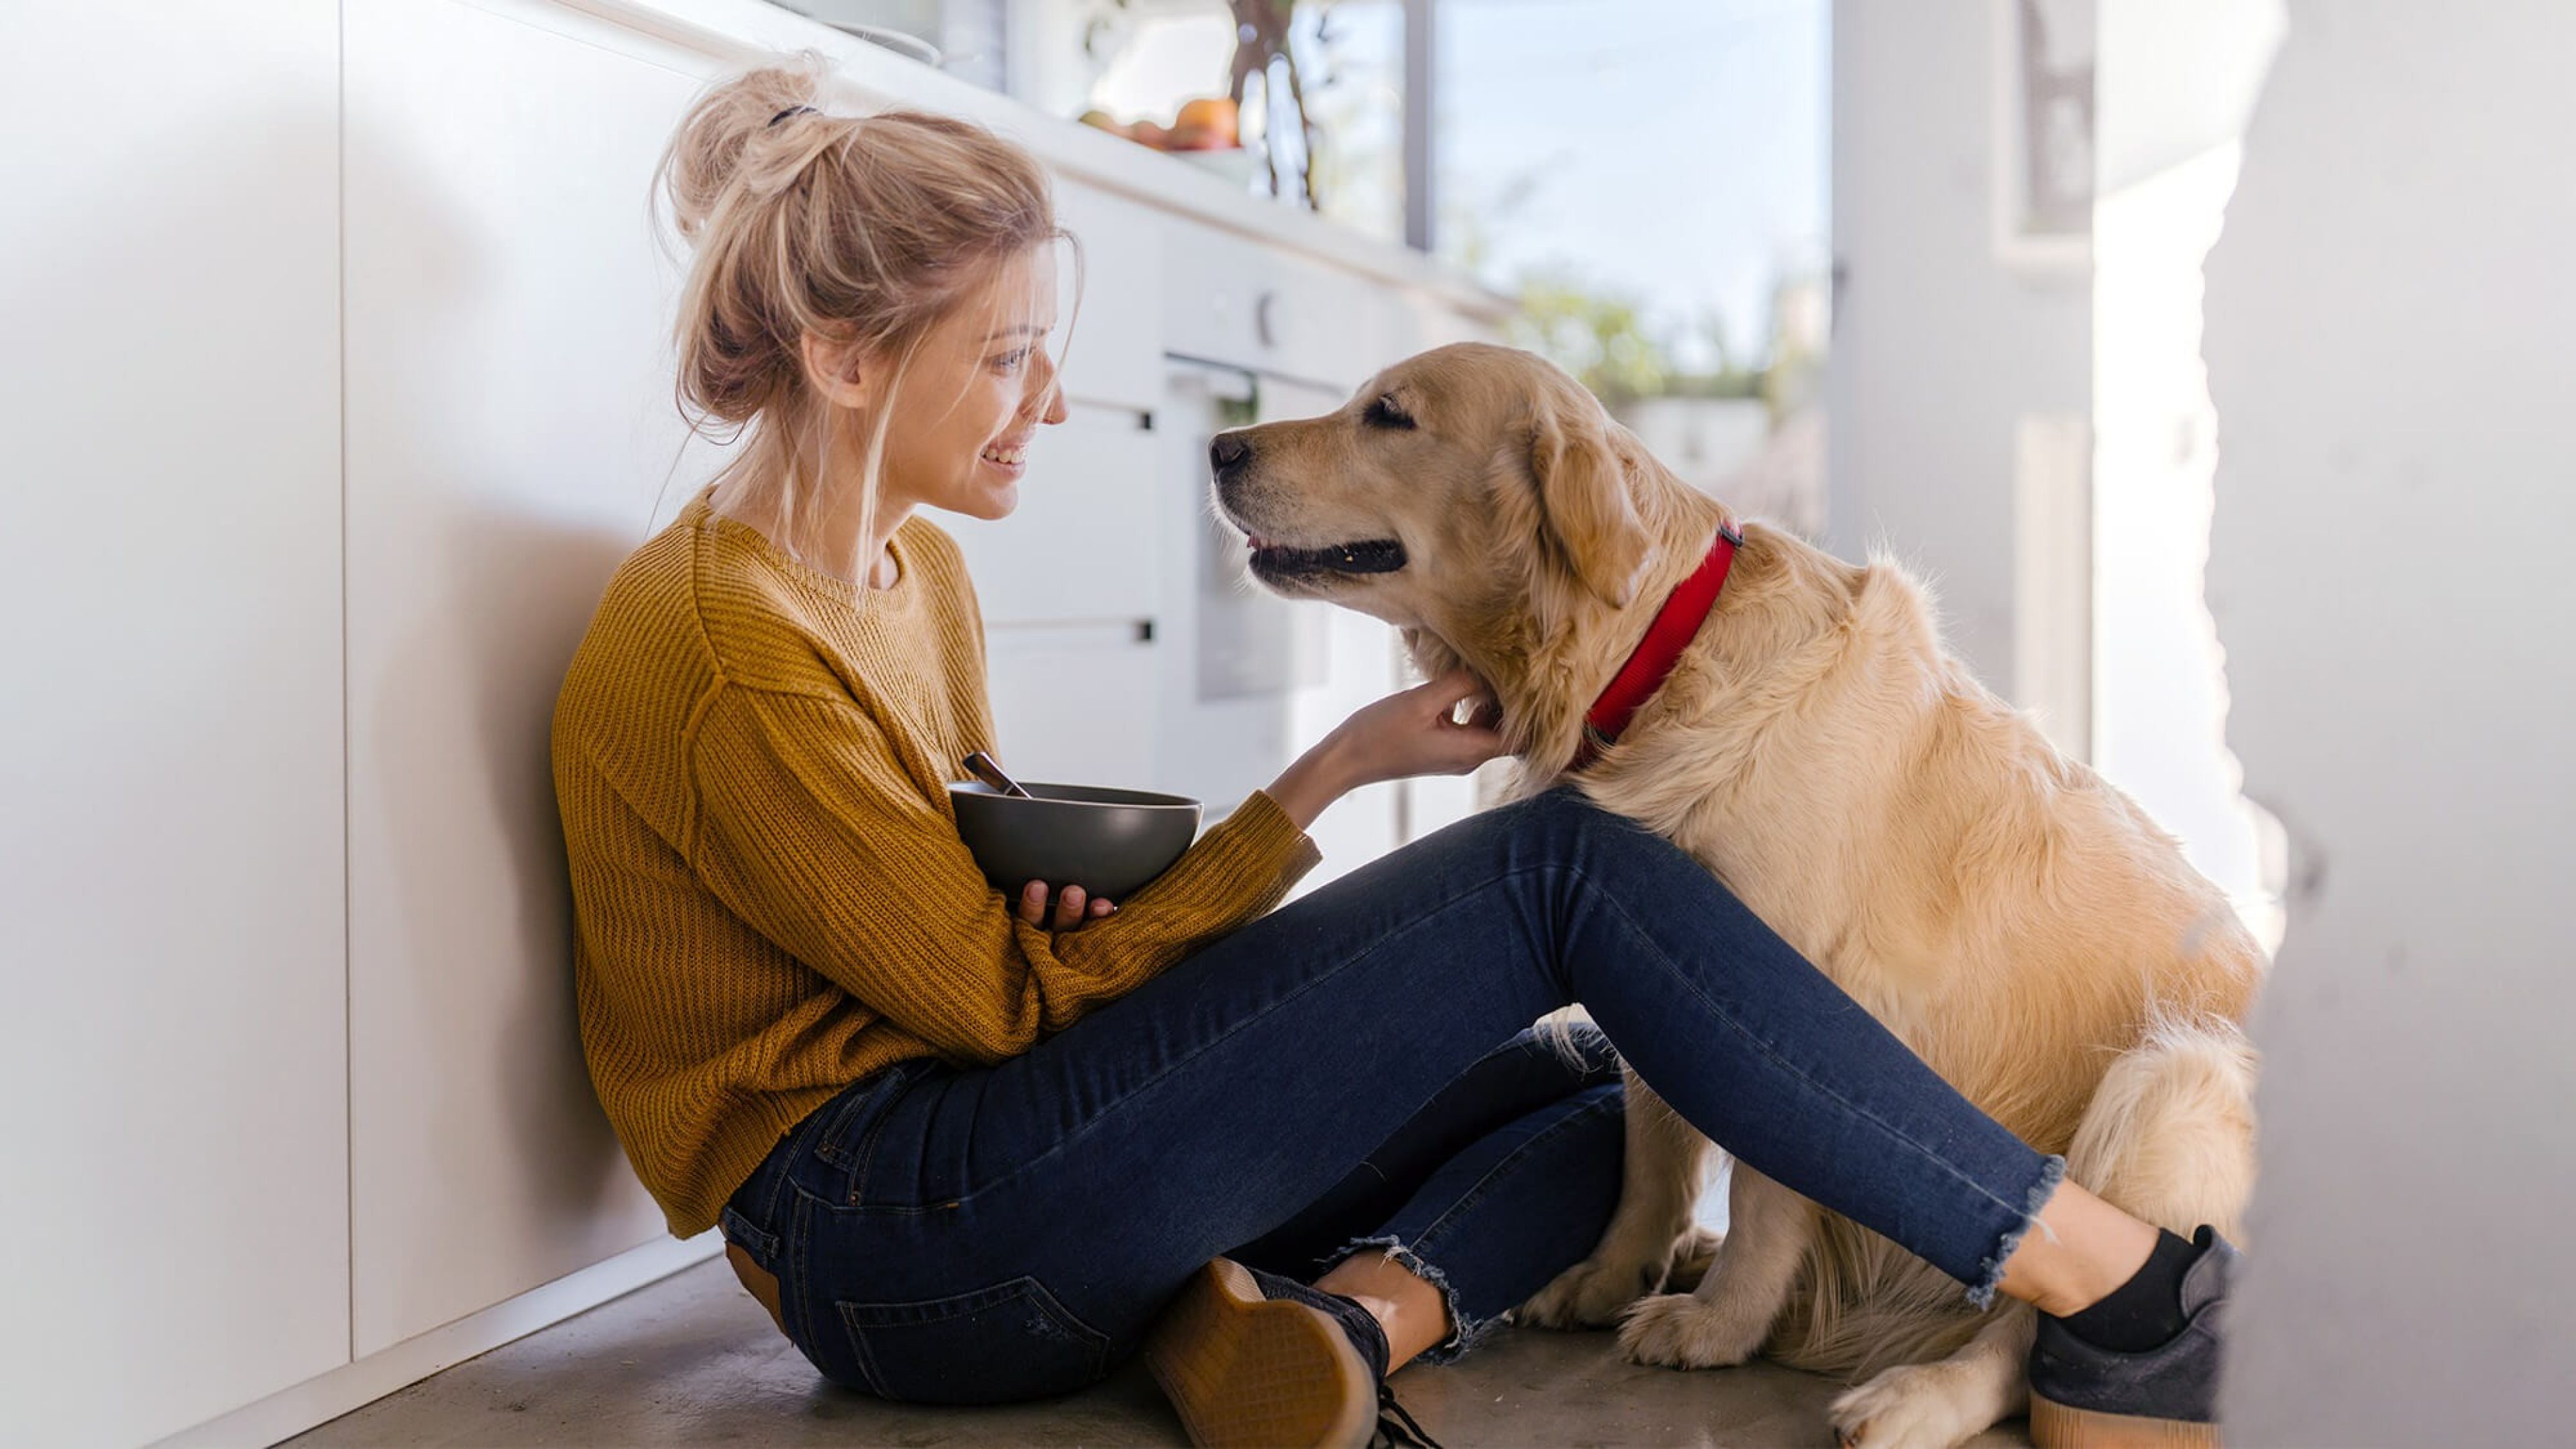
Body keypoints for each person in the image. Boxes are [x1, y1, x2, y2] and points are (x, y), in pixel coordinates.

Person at [551, 62, 2237, 1449]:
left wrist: (1070, 909)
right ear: (846, 361)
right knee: (1568, 866)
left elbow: (944, 922)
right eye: (1005, 356)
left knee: (1607, 1074)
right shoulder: (726, 651)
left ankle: (1337, 1331)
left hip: (996, 1162)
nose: (1046, 402)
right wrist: (1335, 772)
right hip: (899, 1249)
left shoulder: (907, 569)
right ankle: (2115, 1280)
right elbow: (990, 1008)